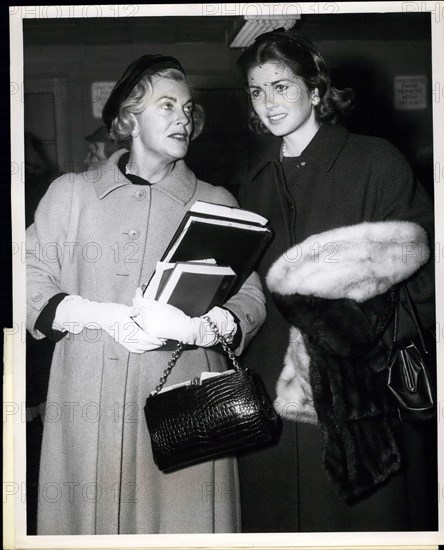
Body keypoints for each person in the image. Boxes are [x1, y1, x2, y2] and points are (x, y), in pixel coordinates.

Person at [26, 54, 266, 535]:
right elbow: (26, 277)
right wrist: (93, 313)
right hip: (86, 411)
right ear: (128, 119)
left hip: (185, 413)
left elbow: (251, 298)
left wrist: (201, 327)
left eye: (187, 107)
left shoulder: (216, 202)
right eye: (167, 105)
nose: (183, 116)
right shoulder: (71, 195)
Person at [237, 30, 437, 532]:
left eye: (281, 86)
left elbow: (429, 279)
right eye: (257, 91)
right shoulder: (253, 181)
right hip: (272, 399)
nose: (268, 102)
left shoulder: (376, 162)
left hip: (362, 395)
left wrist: (357, 339)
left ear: (317, 90)